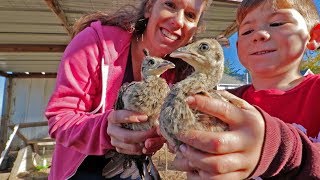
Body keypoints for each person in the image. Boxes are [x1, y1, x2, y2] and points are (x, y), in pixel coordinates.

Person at [45, 0, 212, 179]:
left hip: (133, 165)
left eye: (190, 15)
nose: (178, 21)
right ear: (149, 8)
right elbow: (60, 119)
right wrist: (105, 129)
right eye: (170, 4)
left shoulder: (180, 74)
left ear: (195, 30)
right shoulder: (93, 42)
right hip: (80, 168)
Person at [172, 0, 320, 179]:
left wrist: (273, 149)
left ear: (313, 36)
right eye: (247, 31)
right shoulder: (222, 102)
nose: (259, 35)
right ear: (238, 47)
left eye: (277, 23)